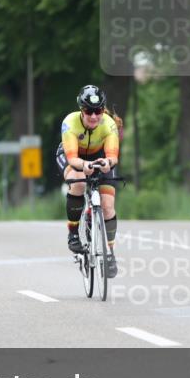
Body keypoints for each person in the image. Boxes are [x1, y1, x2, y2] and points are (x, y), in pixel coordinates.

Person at [56, 85, 122, 277]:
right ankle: (73, 233)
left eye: (98, 111)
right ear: (81, 110)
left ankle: (109, 252)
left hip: (100, 157)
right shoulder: (70, 123)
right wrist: (84, 165)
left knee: (108, 205)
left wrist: (108, 162)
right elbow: (72, 158)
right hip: (73, 156)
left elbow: (113, 156)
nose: (94, 116)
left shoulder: (108, 124)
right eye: (89, 111)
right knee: (78, 182)